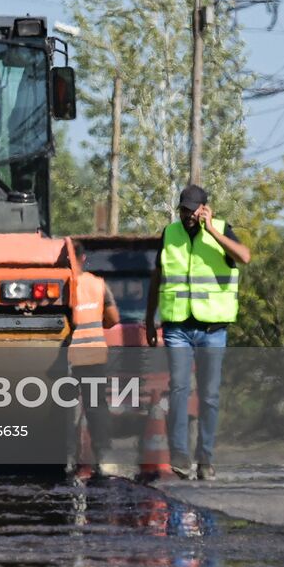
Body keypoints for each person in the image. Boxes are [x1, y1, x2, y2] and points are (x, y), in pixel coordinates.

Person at [146, 183, 252, 480]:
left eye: (193, 210)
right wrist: (148, 320)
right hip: (177, 326)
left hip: (212, 328)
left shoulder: (221, 229)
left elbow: (245, 257)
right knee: (178, 389)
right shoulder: (170, 234)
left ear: (205, 209)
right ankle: (180, 456)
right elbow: (158, 278)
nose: (187, 215)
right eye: (183, 209)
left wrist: (213, 233)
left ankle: (205, 458)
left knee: (209, 396)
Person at [66, 249, 121, 480]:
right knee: (97, 407)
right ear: (83, 258)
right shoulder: (98, 285)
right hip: (93, 355)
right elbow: (113, 318)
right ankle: (105, 459)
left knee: (66, 410)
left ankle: (67, 460)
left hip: (66, 356)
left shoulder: (61, 284)